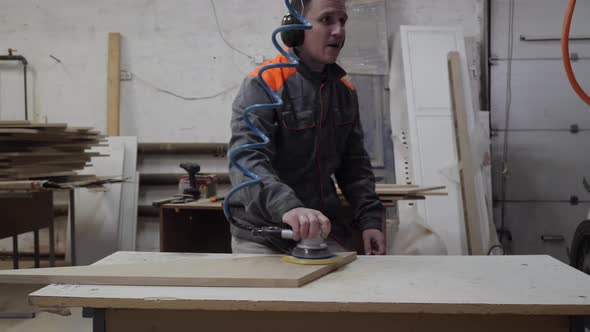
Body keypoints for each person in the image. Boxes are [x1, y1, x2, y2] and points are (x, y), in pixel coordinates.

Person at [227, 0, 385, 255]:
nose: (338, 31)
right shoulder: (263, 84)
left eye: (342, 20)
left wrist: (370, 221)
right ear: (295, 30)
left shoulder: (345, 91)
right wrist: (288, 207)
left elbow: (354, 166)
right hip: (266, 236)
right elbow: (247, 160)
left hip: (321, 232)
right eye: (326, 20)